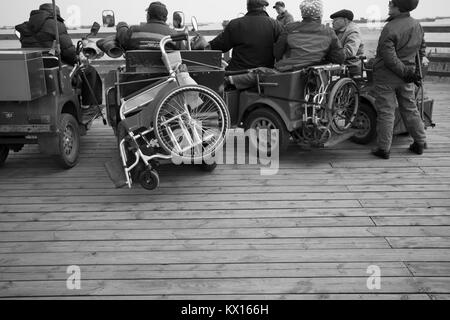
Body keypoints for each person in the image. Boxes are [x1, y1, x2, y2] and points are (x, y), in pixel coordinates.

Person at [15, 3, 102, 124]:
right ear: (56, 13)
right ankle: (87, 107)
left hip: (32, 65)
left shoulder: (26, 26)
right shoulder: (56, 24)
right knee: (89, 70)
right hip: (54, 65)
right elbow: (68, 51)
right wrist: (76, 58)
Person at [228, 0, 345, 90]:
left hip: (287, 73)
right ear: (320, 14)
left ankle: (228, 81)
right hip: (312, 75)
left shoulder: (290, 28)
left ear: (303, 13)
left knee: (260, 72)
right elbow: (339, 57)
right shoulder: (328, 32)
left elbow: (277, 52)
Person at [371, 0, 427, 160]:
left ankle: (383, 149)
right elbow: (421, 49)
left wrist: (406, 73)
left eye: (391, 4)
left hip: (386, 77)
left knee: (386, 112)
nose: (389, 6)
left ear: (398, 7)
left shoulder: (390, 27)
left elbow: (388, 57)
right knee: (410, 108)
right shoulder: (417, 25)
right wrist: (413, 73)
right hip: (406, 75)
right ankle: (420, 142)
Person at [192, 0, 284, 71]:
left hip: (237, 73)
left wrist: (204, 44)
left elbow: (219, 46)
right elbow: (283, 49)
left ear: (248, 8)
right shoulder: (276, 25)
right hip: (265, 75)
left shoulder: (235, 24)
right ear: (264, 7)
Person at [116, 1, 182, 51]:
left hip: (137, 68)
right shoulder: (175, 36)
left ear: (148, 16)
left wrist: (122, 25)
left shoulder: (134, 31)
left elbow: (122, 38)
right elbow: (184, 53)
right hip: (165, 69)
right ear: (166, 19)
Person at [330, 9, 365, 76]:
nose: (332, 22)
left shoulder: (353, 32)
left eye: (335, 20)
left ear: (345, 20)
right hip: (340, 66)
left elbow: (349, 52)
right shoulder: (337, 31)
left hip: (351, 68)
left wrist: (331, 54)